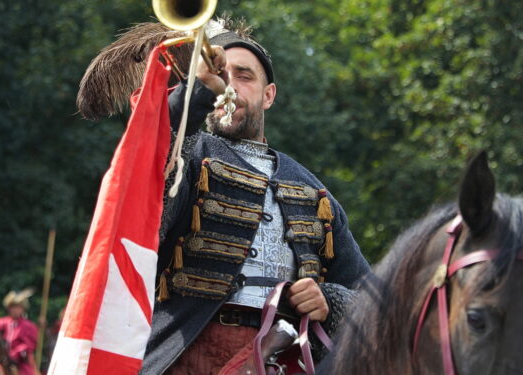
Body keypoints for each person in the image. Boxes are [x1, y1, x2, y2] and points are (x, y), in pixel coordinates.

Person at [129, 17, 372, 375]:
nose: (231, 85)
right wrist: (199, 89)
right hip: (185, 354)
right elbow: (147, 146)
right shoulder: (188, 155)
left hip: (282, 358)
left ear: (268, 94)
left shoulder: (312, 188)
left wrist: (330, 301)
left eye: (244, 76)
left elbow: (373, 299)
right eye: (221, 73)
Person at [0, 289, 38, 375]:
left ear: (23, 308)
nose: (15, 310)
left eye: (18, 307)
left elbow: (29, 345)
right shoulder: (0, 322)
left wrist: (14, 354)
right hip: (1, 361)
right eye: (13, 307)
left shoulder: (29, 326)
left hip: (20, 362)